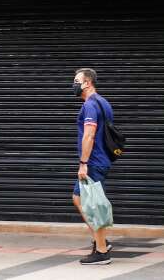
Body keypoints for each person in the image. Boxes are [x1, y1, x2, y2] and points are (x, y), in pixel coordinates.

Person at [72, 68, 114, 265]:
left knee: (92, 205)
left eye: (76, 80)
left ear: (87, 83)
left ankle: (102, 250)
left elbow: (89, 135)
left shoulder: (90, 105)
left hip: (93, 162)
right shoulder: (103, 102)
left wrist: (83, 163)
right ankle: (101, 241)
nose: (74, 84)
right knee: (80, 199)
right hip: (101, 159)